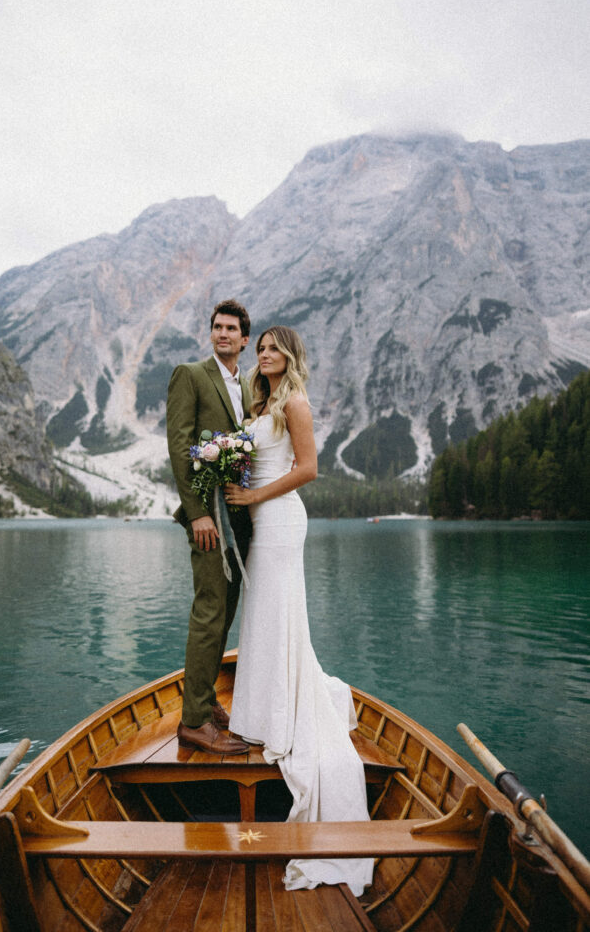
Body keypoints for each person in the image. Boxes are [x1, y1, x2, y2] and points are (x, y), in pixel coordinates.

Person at [224, 326, 374, 895]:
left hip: (282, 520)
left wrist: (254, 496)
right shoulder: (259, 403)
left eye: (272, 348)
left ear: (288, 356)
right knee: (263, 617)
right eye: (258, 348)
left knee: (278, 613)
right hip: (262, 520)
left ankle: (284, 714)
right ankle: (266, 708)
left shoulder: (296, 402)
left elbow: (308, 469)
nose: (263, 354)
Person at [166, 299, 253, 755]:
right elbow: (181, 447)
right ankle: (195, 722)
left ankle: (206, 698)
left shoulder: (250, 386)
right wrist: (198, 512)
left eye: (230, 328)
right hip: (209, 520)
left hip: (240, 519)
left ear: (244, 339)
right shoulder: (191, 375)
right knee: (208, 613)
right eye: (216, 327)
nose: (222, 334)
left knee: (225, 614)